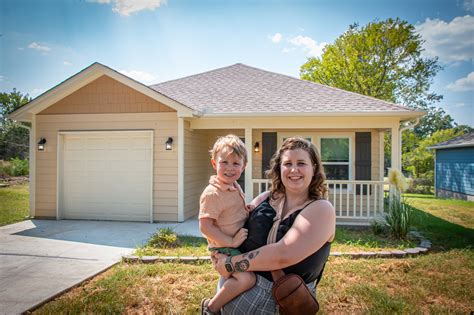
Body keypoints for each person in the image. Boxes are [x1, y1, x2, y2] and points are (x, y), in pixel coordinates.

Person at [211, 137, 335, 314]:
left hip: (280, 303)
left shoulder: (321, 210)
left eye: (301, 163)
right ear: (279, 168)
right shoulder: (266, 197)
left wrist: (230, 264)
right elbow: (233, 224)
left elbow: (282, 254)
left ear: (314, 168)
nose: (294, 169)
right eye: (287, 163)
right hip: (233, 291)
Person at [199, 135, 257, 315]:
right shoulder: (212, 194)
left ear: (244, 166)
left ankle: (225, 302)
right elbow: (205, 226)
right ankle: (211, 308)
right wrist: (230, 241)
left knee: (234, 278)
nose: (230, 168)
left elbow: (230, 211)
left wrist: (245, 209)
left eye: (235, 163)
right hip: (225, 249)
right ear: (214, 163)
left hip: (235, 246)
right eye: (224, 162)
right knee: (247, 279)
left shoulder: (234, 186)